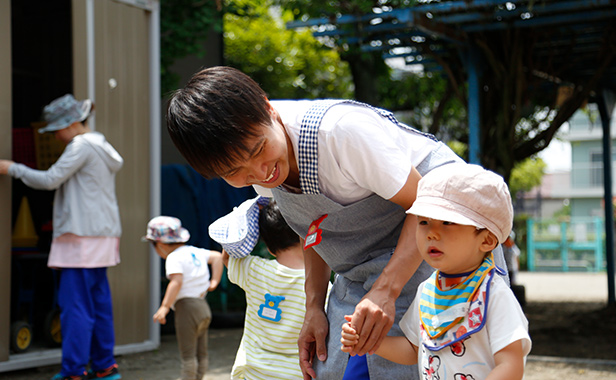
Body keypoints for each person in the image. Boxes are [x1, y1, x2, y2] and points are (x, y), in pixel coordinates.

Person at [166, 66, 509, 380]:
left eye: (258, 151)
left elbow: (425, 204)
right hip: (362, 263)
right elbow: (313, 228)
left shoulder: (340, 133)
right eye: (233, 173)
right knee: (333, 361)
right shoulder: (256, 167)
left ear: (270, 109)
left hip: (440, 236)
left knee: (438, 363)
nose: (258, 174)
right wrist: (313, 306)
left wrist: (386, 291)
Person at [341, 163, 532, 380]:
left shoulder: (494, 295)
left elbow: (511, 364)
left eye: (447, 222)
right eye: (423, 222)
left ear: (487, 239)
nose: (431, 233)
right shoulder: (427, 290)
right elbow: (414, 350)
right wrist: (368, 342)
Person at [0, 94, 123, 380]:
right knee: (98, 303)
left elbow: (50, 179)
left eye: (56, 129)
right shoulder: (101, 144)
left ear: (70, 124)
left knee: (75, 307)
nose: (55, 136)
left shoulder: (80, 146)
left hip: (80, 237)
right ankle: (105, 367)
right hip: (103, 236)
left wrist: (11, 168)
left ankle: (72, 372)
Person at [209, 196, 310, 379]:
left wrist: (243, 216)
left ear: (269, 247)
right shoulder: (321, 288)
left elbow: (227, 254)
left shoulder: (253, 270)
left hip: (252, 371)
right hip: (295, 373)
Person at [143, 216, 223, 380]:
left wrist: (165, 306)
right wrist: (214, 282)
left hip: (186, 309)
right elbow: (217, 257)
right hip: (203, 307)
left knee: (188, 354)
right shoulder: (194, 251)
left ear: (160, 245)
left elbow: (176, 282)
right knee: (201, 352)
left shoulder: (173, 257)